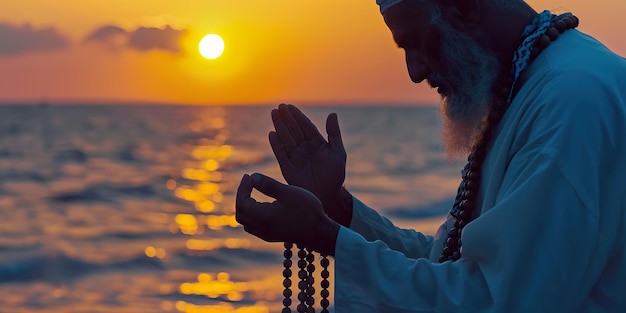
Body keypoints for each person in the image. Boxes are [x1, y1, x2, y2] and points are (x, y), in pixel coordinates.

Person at [236, 0, 626, 311]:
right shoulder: (525, 89)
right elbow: (448, 265)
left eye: (415, 42)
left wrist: (324, 236)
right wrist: (337, 209)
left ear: (464, 8)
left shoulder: (570, 102)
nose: (414, 71)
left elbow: (500, 300)